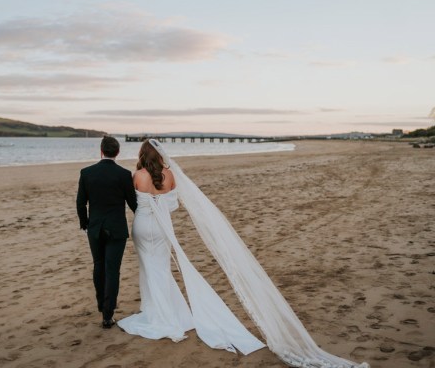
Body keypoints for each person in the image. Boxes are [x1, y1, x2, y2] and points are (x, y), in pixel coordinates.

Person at [118, 139, 369, 368]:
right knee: (161, 268)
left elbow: (136, 202)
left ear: (142, 154)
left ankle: (157, 314)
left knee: (149, 268)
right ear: (160, 154)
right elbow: (171, 205)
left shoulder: (137, 175)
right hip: (163, 230)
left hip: (142, 227)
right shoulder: (170, 175)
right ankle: (167, 314)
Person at [76, 136, 137, 328]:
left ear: (101, 151)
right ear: (117, 152)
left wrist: (85, 223)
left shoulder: (87, 173)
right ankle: (107, 315)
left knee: (98, 265)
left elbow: (80, 202)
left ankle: (101, 305)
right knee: (112, 270)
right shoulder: (124, 174)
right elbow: (133, 204)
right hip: (116, 229)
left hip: (95, 228)